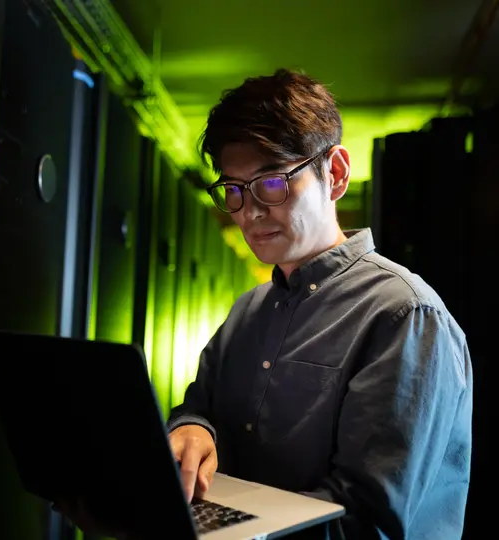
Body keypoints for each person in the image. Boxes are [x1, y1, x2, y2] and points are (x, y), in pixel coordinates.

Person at [56, 69, 472, 539]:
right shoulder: (246, 312)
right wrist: (194, 430)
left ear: (334, 174)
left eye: (270, 183)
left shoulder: (405, 316)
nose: (249, 213)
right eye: (232, 190)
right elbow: (199, 407)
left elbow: (363, 522)